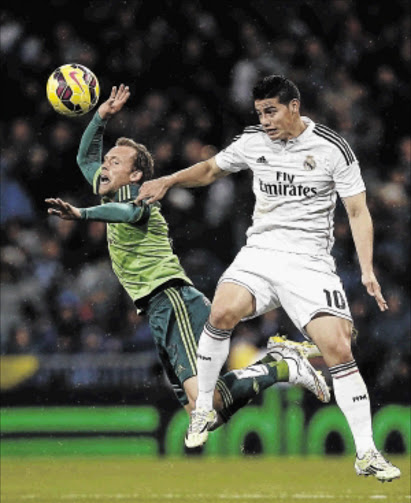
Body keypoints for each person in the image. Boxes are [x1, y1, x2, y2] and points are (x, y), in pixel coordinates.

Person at [137, 75, 401, 481]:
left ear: (294, 107)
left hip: (309, 261)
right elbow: (210, 170)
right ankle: (203, 407)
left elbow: (358, 211)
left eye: (272, 111)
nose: (265, 120)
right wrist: (169, 180)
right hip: (260, 252)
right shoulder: (252, 141)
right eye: (260, 112)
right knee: (221, 311)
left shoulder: (332, 148)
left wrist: (366, 268)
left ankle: (366, 453)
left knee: (338, 346)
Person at [45, 84, 329, 435]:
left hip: (173, 297)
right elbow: (84, 158)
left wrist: (82, 214)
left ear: (135, 175)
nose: (104, 165)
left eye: (114, 162)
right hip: (155, 308)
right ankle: (280, 366)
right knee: (210, 410)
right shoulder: (110, 188)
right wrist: (101, 117)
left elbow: (125, 213)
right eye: (106, 161)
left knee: (203, 408)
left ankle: (281, 366)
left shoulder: (139, 198)